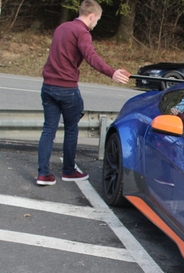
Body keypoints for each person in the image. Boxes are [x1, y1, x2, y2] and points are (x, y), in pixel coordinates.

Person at [36, 0, 129, 186]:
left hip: (47, 87)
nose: (96, 24)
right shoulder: (82, 33)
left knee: (48, 130)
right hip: (67, 89)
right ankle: (69, 171)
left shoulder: (62, 28)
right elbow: (91, 57)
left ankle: (43, 174)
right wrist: (112, 73)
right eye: (97, 20)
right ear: (92, 16)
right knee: (71, 130)